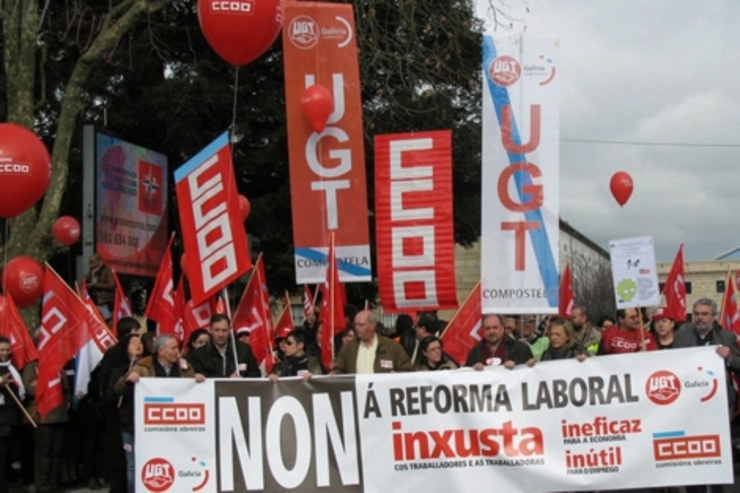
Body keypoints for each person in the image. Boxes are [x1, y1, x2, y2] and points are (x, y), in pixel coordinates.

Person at [114, 334, 205, 493]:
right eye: (173, 348)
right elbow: (117, 389)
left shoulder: (184, 366)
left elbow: (190, 387)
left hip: (171, 428)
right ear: (161, 351)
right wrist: (128, 380)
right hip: (138, 426)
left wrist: (196, 379)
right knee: (133, 466)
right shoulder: (143, 366)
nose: (178, 351)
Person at [673, 298, 740, 493]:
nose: (700, 318)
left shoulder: (727, 337)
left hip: (718, 404)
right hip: (690, 405)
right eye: (697, 314)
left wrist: (730, 357)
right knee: (694, 451)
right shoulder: (681, 337)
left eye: (704, 314)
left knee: (717, 451)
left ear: (714, 316)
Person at [98, 317, 141, 493]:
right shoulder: (115, 360)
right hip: (118, 417)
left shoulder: (146, 363)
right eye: (134, 336)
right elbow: (108, 392)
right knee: (121, 461)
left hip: (138, 418)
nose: (139, 342)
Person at [108, 334, 144, 493]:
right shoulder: (119, 371)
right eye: (133, 342)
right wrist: (127, 380)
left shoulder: (151, 367)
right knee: (132, 465)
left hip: (151, 424)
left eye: (140, 341)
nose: (138, 344)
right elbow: (112, 393)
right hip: (128, 423)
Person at [332, 310, 412, 374]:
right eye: (355, 325)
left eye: (361, 325)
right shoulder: (348, 348)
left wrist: (397, 376)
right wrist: (334, 374)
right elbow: (339, 370)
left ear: (372, 326)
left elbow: (407, 370)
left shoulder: (392, 347)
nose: (357, 328)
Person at [190, 314, 260, 378]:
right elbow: (199, 375)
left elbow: (255, 373)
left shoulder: (243, 349)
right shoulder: (200, 354)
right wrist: (228, 379)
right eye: (217, 330)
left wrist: (242, 378)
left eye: (224, 330)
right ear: (210, 330)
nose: (220, 334)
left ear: (230, 330)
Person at [466, 314, 534, 370]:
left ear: (502, 328)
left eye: (495, 327)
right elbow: (465, 376)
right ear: (483, 330)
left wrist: (517, 365)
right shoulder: (474, 353)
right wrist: (473, 369)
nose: (491, 331)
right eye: (487, 328)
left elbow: (531, 374)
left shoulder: (521, 349)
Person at [0, 336, 22, 493]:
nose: (5, 353)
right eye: (1, 350)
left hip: (13, 418)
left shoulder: (11, 367)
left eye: (7, 350)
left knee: (9, 453)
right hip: (1, 419)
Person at [85, 253, 115, 319]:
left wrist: (96, 285)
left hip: (104, 300)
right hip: (93, 299)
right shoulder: (92, 271)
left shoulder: (107, 271)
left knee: (107, 319)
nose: (92, 266)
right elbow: (86, 281)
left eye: (93, 263)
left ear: (99, 261)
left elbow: (111, 286)